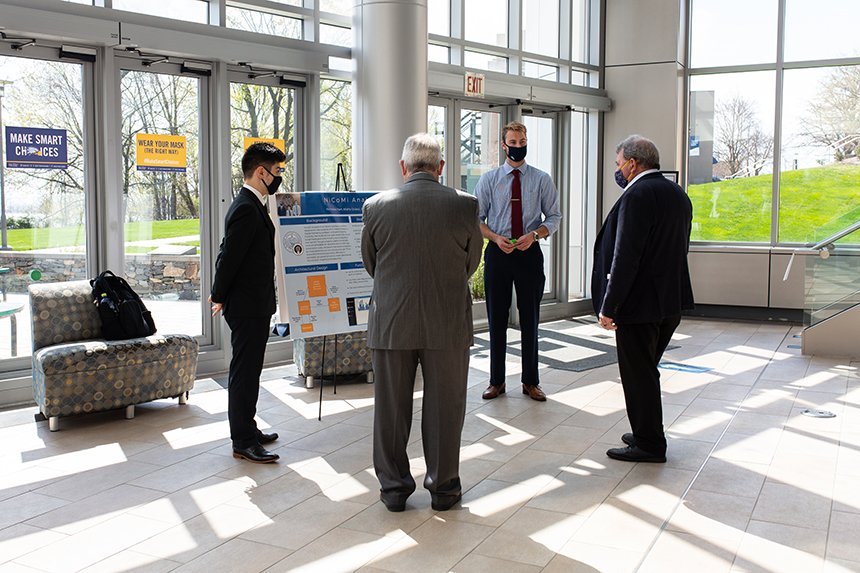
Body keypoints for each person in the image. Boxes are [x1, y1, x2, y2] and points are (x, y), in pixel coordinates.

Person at [361, 133, 482, 512]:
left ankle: (394, 490)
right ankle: (444, 488)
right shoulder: (465, 205)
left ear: (404, 167)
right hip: (447, 323)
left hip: (391, 322)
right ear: (440, 168)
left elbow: (372, 264)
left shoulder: (376, 206)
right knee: (446, 407)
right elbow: (472, 262)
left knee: (390, 410)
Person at [592, 135, 694, 463]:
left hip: (639, 306)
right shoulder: (677, 194)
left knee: (638, 375)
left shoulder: (637, 195)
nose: (618, 169)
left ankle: (649, 443)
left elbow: (626, 256)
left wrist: (610, 305)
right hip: (669, 301)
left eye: (619, 163)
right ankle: (645, 430)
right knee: (647, 370)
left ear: (633, 164)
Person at [209, 142, 286, 464]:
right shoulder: (245, 206)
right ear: (260, 172)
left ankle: (248, 427)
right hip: (246, 305)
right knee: (243, 372)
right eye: (277, 171)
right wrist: (218, 294)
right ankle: (242, 439)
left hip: (255, 303)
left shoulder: (253, 204)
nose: (279, 177)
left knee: (251, 370)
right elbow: (229, 256)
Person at [475, 121, 561, 402]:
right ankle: (496, 382)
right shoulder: (489, 180)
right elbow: (476, 221)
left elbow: (554, 217)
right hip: (498, 254)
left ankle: (531, 382)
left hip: (529, 253)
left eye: (521, 142)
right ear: (504, 145)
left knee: (530, 320)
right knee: (496, 319)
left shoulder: (541, 179)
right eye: (512, 143)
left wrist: (535, 235)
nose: (518, 147)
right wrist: (495, 238)